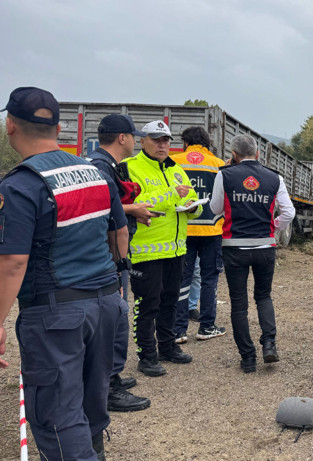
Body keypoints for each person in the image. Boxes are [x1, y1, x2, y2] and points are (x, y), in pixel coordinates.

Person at [0, 87, 128, 460]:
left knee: (58, 417)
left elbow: (12, 262)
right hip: (106, 303)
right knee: (92, 404)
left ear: (10, 125)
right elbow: (118, 231)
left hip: (56, 314)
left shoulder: (21, 185)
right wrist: (119, 282)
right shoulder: (94, 172)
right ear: (58, 128)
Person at [210, 134, 295, 373]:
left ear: (234, 155)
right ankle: (269, 344)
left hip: (234, 247)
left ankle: (248, 358)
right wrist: (274, 227)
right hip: (265, 248)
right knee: (263, 297)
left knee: (239, 305)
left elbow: (216, 208)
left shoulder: (224, 175)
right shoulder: (274, 177)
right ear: (258, 154)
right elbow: (289, 213)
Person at [124, 120, 201, 377]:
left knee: (171, 301)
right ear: (142, 141)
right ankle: (146, 355)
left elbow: (192, 203)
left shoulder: (177, 169)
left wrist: (193, 207)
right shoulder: (130, 168)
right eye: (156, 139)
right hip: (146, 250)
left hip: (176, 249)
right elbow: (136, 204)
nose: (162, 144)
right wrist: (171, 195)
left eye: (166, 140)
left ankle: (167, 347)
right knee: (148, 304)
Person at [88, 114, 153, 412]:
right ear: (122, 138)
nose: (136, 142)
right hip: (109, 258)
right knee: (113, 321)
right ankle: (109, 387)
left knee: (111, 321)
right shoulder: (104, 168)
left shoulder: (99, 164)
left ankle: (109, 377)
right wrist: (119, 264)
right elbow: (111, 219)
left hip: (101, 255)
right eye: (133, 136)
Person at [170, 126, 226, 343]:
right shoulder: (219, 165)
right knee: (209, 279)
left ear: (185, 142)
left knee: (182, 280)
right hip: (212, 230)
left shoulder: (174, 162)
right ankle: (206, 327)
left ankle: (179, 330)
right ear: (206, 142)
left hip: (184, 229)